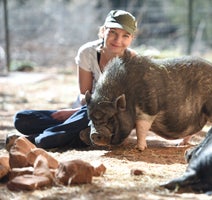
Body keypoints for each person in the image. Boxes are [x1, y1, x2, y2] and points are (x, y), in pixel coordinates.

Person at [11, 10, 138, 149]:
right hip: (84, 111)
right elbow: (84, 93)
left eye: (125, 35)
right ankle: (78, 136)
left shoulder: (134, 62)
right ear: (103, 31)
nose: (118, 40)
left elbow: (124, 106)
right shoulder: (87, 52)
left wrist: (79, 113)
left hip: (110, 118)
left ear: (131, 39)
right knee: (21, 119)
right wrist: (75, 113)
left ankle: (37, 139)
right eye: (113, 32)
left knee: (48, 140)